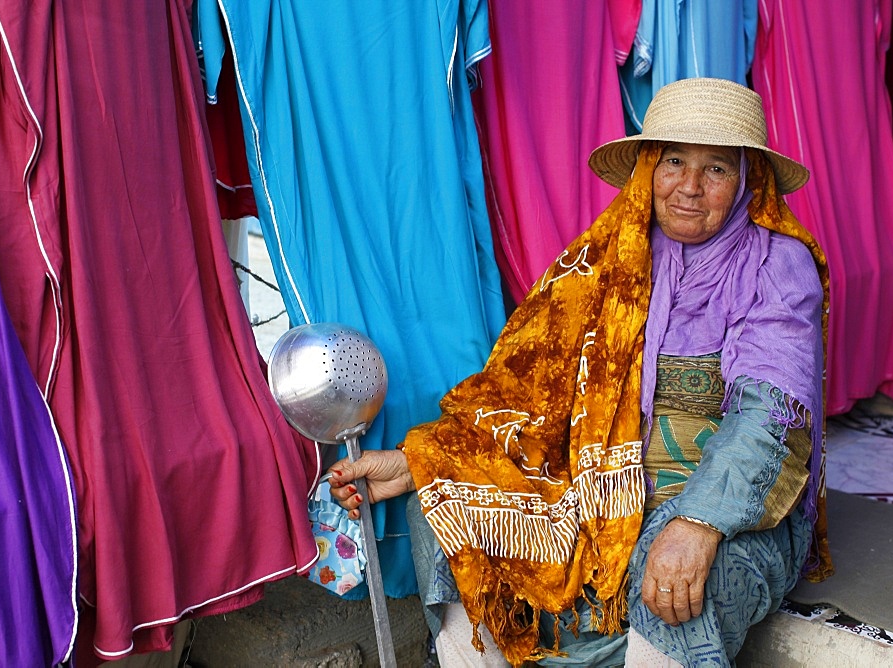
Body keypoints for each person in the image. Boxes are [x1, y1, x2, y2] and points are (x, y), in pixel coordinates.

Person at [329, 77, 833, 667]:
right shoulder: (606, 256)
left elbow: (770, 421)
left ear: (749, 180)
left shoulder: (778, 265)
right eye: (674, 160)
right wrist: (421, 461)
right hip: (603, 488)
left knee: (678, 577)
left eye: (717, 169)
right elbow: (519, 396)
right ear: (648, 168)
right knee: (446, 507)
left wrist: (698, 523)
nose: (690, 188)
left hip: (725, 507)